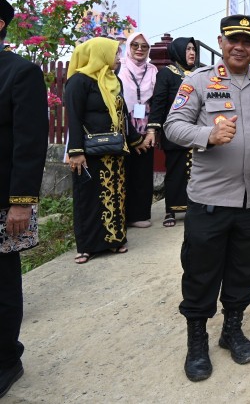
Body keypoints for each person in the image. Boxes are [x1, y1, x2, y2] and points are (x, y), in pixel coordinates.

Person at [164, 14, 250, 382]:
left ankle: (231, 329)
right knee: (202, 272)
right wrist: (207, 135)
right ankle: (197, 339)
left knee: (245, 270)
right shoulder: (198, 82)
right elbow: (173, 126)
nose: (240, 47)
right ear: (221, 42)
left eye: (248, 42)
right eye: (233, 39)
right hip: (210, 199)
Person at [0, 0, 48, 399]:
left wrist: (21, 202)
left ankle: (6, 359)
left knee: (1, 283)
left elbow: (29, 142)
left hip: (4, 200)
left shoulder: (21, 72)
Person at [65, 38, 141, 263]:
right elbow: (74, 118)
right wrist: (76, 151)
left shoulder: (112, 80)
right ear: (100, 54)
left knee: (116, 196)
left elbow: (122, 114)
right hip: (88, 153)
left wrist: (135, 140)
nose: (118, 58)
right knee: (88, 198)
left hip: (114, 151)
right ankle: (87, 246)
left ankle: (115, 240)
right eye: (115, 53)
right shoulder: (79, 81)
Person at [148, 36, 197, 227]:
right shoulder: (167, 74)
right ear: (178, 51)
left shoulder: (198, 74)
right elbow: (159, 102)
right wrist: (153, 128)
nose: (192, 53)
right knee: (175, 172)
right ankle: (171, 210)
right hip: (175, 132)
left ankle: (192, 207)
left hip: (195, 132)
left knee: (194, 173)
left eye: (193, 49)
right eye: (187, 49)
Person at [119, 31, 158, 229]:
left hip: (146, 129)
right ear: (128, 47)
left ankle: (139, 213)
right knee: (123, 172)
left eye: (144, 46)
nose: (140, 49)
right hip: (123, 128)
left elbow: (157, 101)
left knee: (142, 173)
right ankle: (121, 216)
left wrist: (151, 130)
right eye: (135, 45)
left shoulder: (153, 71)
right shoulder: (120, 68)